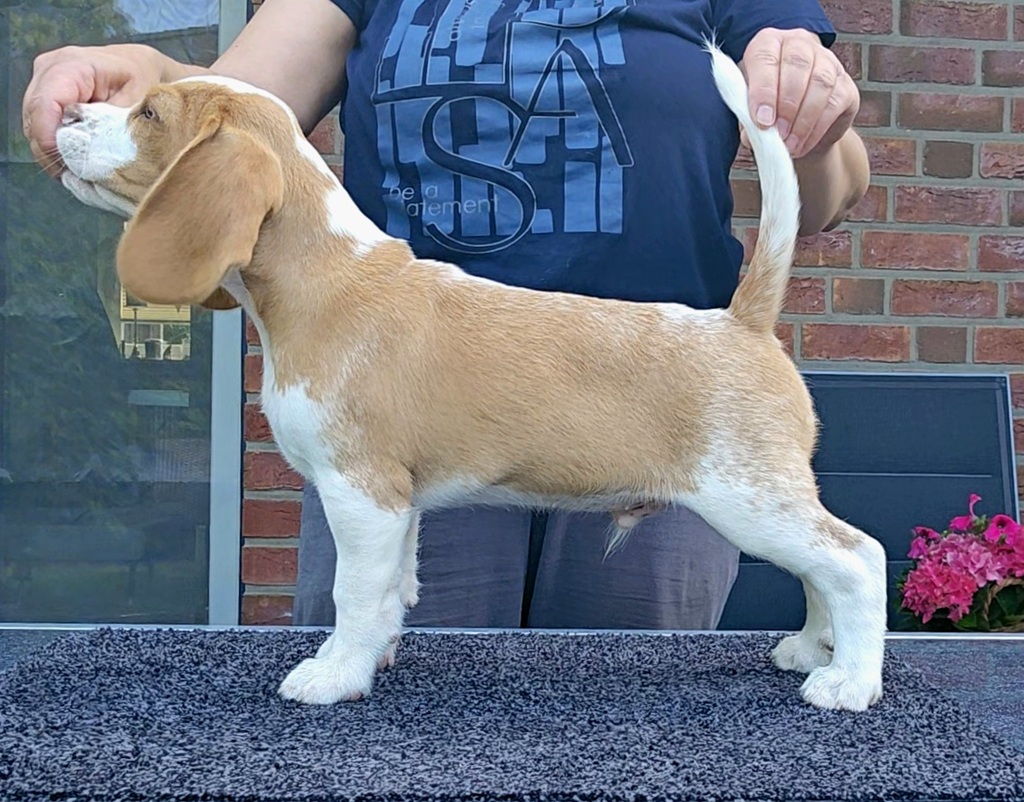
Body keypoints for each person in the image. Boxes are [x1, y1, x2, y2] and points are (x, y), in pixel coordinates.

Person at [23, 0, 869, 632]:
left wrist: (812, 117)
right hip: (401, 393)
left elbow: (836, 193)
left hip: (657, 390)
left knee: (636, 729)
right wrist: (141, 73)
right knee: (377, 739)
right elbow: (239, 108)